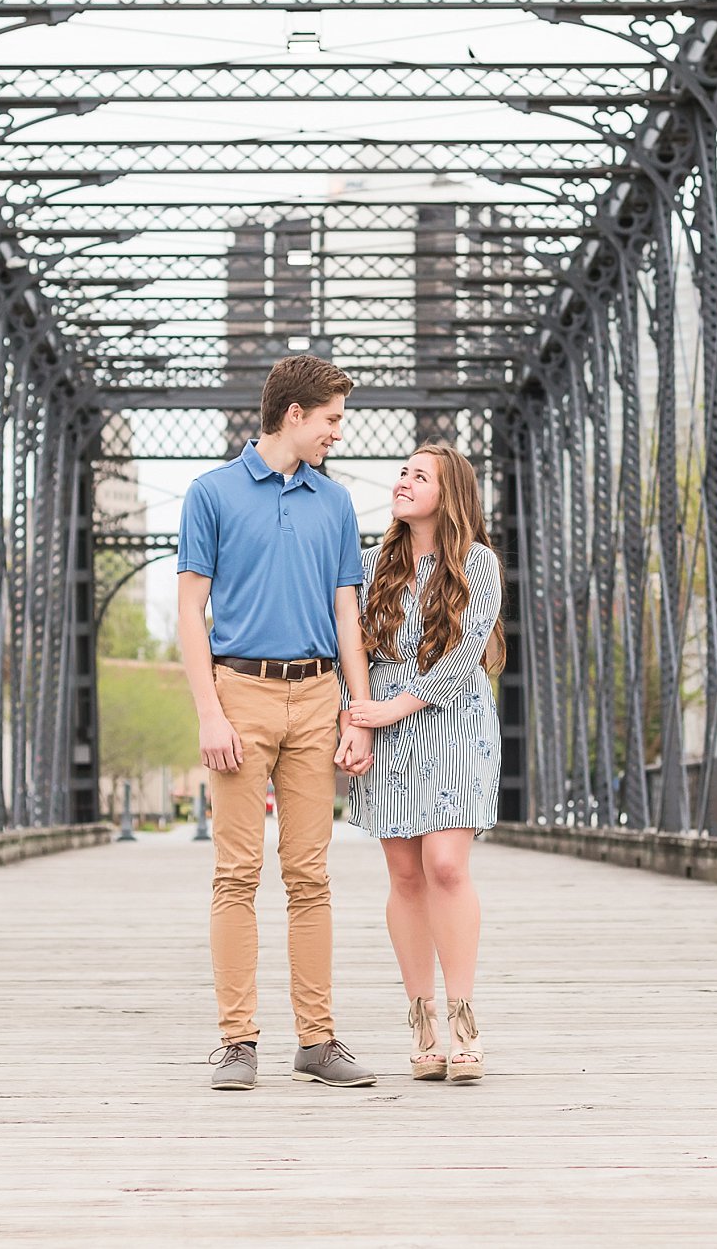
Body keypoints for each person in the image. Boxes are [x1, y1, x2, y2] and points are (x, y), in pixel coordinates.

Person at [177, 355, 380, 1092]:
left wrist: (358, 713)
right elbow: (189, 612)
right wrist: (209, 711)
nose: (337, 433)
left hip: (319, 695)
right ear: (294, 414)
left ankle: (317, 1041)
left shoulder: (336, 503)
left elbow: (347, 616)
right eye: (331, 420)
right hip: (240, 693)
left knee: (310, 875)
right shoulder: (211, 494)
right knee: (236, 874)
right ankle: (237, 1041)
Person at [340, 443, 503, 1084]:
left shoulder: (477, 564)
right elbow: (347, 646)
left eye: (419, 476)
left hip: (453, 720)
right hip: (385, 731)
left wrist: (391, 708)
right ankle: (423, 1021)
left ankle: (464, 1021)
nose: (403, 482)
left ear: (449, 493)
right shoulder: (370, 567)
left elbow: (463, 655)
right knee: (406, 876)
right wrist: (357, 718)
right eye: (402, 473)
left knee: (446, 866)